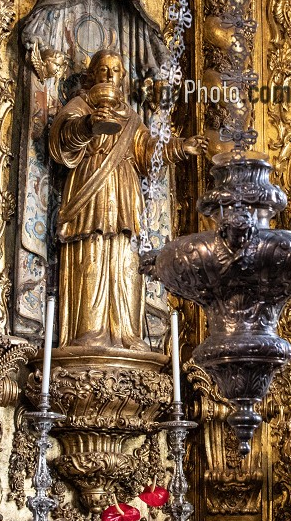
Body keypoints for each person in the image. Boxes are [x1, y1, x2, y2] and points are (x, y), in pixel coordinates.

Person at [49, 51, 205, 350]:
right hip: (90, 191)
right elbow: (61, 139)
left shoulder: (132, 117)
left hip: (125, 193)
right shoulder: (81, 105)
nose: (109, 76)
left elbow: (148, 151)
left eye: (115, 71)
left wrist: (181, 147)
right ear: (92, 76)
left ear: (122, 78)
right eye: (103, 70)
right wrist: (87, 126)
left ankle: (126, 332)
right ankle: (88, 333)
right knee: (91, 251)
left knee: (126, 258)